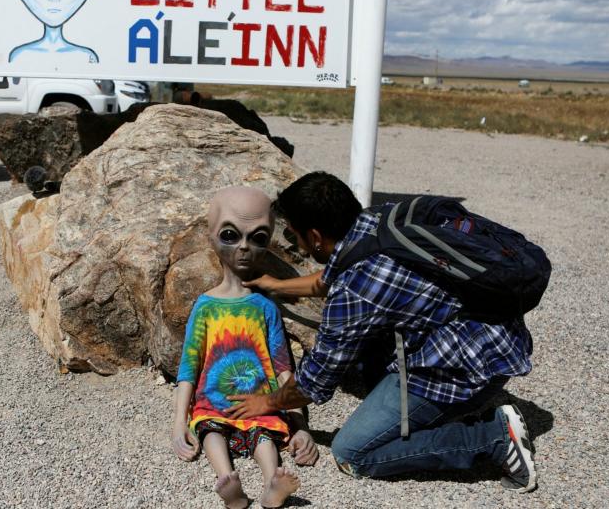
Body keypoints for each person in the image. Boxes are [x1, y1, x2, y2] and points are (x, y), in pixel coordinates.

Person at [227, 172, 538, 493]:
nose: (298, 246)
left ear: (315, 236)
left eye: (295, 237)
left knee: (353, 452)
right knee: (366, 361)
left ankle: (493, 438)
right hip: (496, 338)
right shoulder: (375, 220)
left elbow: (314, 383)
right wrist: (277, 285)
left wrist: (266, 403)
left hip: (470, 368)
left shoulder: (355, 290)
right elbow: (331, 277)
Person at [171, 186, 318, 509]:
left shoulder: (265, 306)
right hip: (213, 402)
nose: (244, 248)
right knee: (211, 431)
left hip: (261, 402)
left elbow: (283, 368)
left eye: (258, 238)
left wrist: (299, 425)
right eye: (230, 235)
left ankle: (271, 484)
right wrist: (179, 422)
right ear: (211, 236)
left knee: (264, 435)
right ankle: (228, 483)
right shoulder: (205, 305)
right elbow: (189, 365)